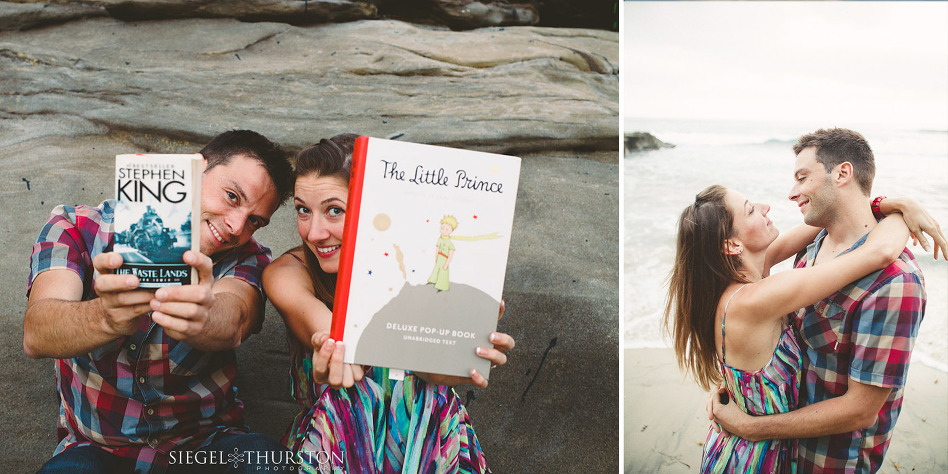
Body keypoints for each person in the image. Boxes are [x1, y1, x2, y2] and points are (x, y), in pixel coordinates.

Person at [25, 130, 295, 473]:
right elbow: (37, 333)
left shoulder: (248, 258)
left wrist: (204, 316)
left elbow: (236, 316)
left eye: (255, 221)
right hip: (97, 449)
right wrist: (105, 317)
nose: (236, 226)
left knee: (269, 462)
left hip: (204, 445)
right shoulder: (75, 227)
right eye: (231, 196)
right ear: (193, 171)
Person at [262, 134, 515, 473]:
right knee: (358, 389)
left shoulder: (416, 272)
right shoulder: (286, 273)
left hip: (425, 441)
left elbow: (431, 373)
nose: (314, 232)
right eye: (303, 211)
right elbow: (331, 335)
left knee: (423, 390)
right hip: (335, 439)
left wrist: (465, 351)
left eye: (334, 211)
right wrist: (334, 350)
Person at [708, 128, 945, 473]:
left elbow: (861, 410)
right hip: (782, 450)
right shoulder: (812, 247)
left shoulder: (894, 282)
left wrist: (749, 426)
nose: (791, 194)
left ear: (843, 173)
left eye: (802, 177)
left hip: (832, 460)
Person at [666, 182, 917, 473]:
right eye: (751, 210)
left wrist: (884, 204)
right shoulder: (756, 299)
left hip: (745, 450)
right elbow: (881, 252)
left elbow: (830, 217)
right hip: (752, 462)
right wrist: (907, 211)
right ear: (732, 245)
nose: (765, 207)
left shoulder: (746, 277)